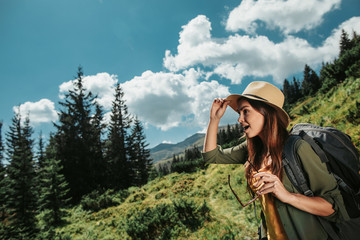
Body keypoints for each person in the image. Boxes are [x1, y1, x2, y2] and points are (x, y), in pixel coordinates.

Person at [202, 81, 349, 240]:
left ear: (266, 112)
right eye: (239, 113)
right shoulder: (251, 149)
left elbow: (336, 209)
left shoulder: (298, 148)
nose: (240, 119)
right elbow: (211, 156)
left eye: (245, 112)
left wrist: (288, 196)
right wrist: (214, 119)